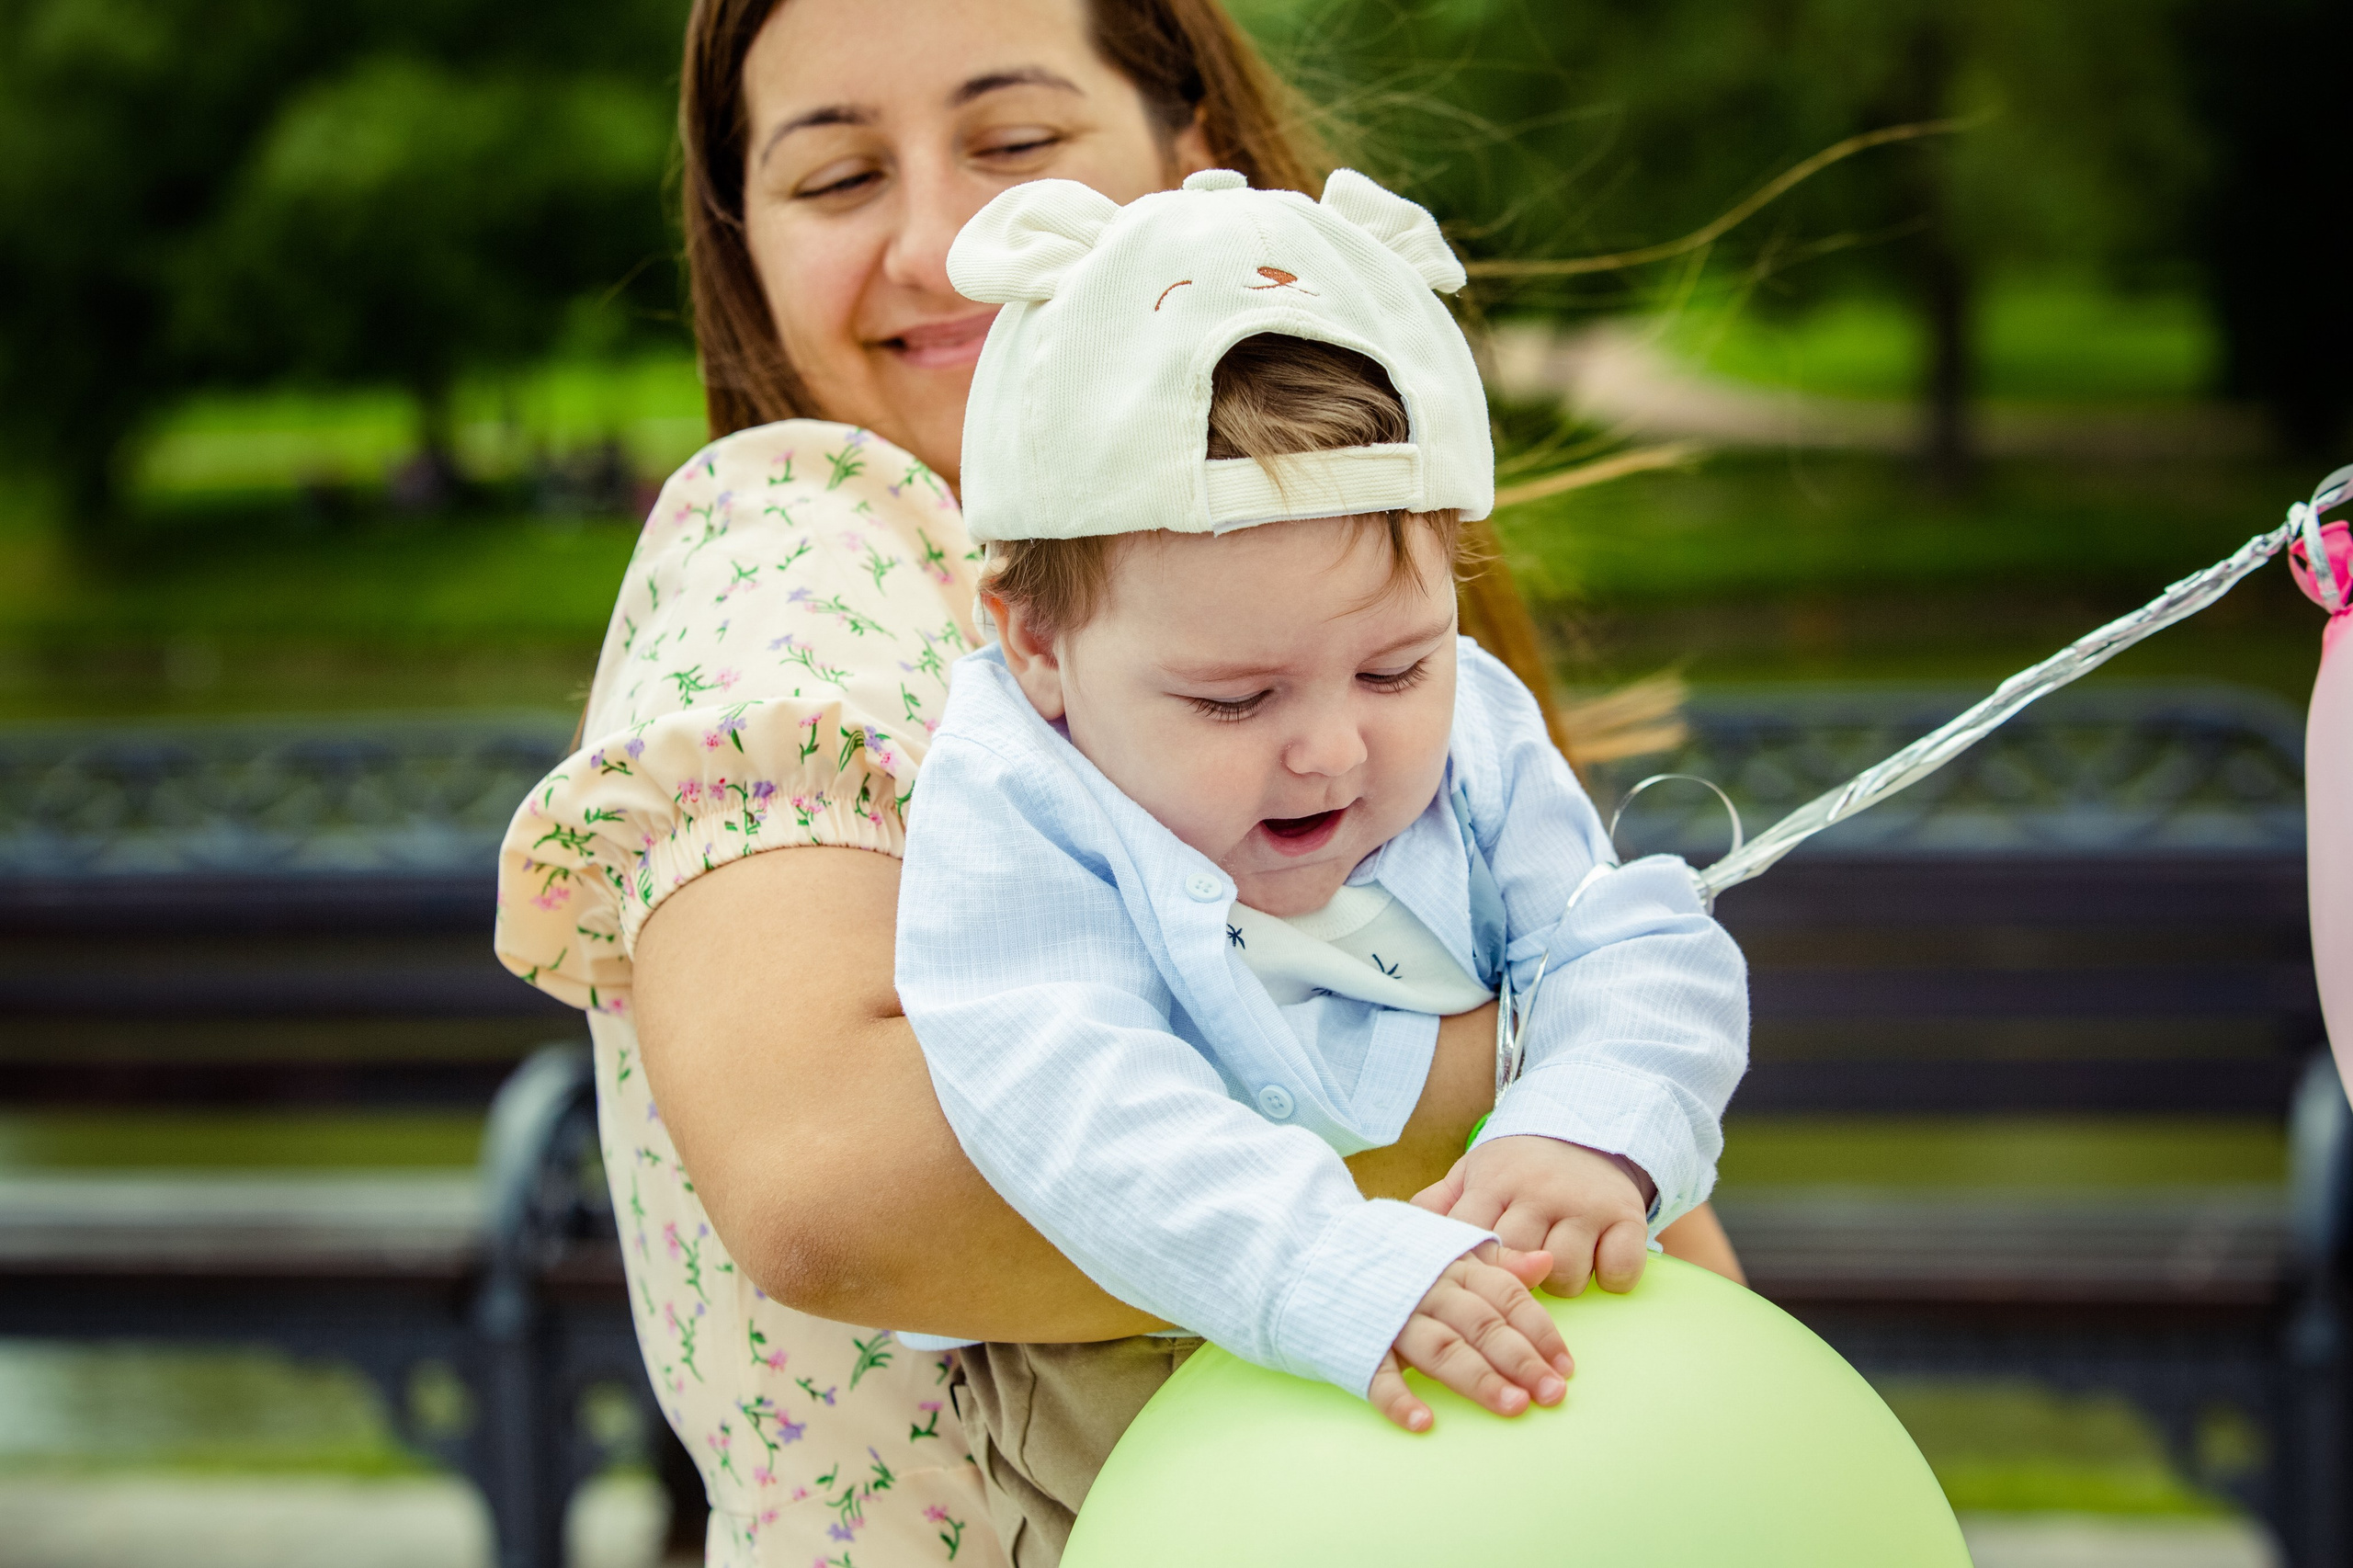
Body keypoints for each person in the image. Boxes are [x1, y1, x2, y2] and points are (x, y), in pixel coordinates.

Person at [494, 3, 1742, 1563]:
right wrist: (1541, 1079)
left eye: (1017, 146)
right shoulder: (804, 544)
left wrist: (1615, 1129)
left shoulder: (1343, 560)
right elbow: (832, 1190)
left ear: (1187, 163)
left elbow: (1652, 1202)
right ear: (740, 235)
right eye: (834, 180)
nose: (944, 242)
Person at [891, 171, 1747, 1562]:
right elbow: (1057, 1084)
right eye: (1236, 701)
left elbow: (1631, 944)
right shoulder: (1011, 795)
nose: (1333, 751)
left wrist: (1588, 1119)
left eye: (1397, 664)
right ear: (1037, 645)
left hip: (1494, 1324)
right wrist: (1328, 1265)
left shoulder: (1473, 725)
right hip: (1130, 1366)